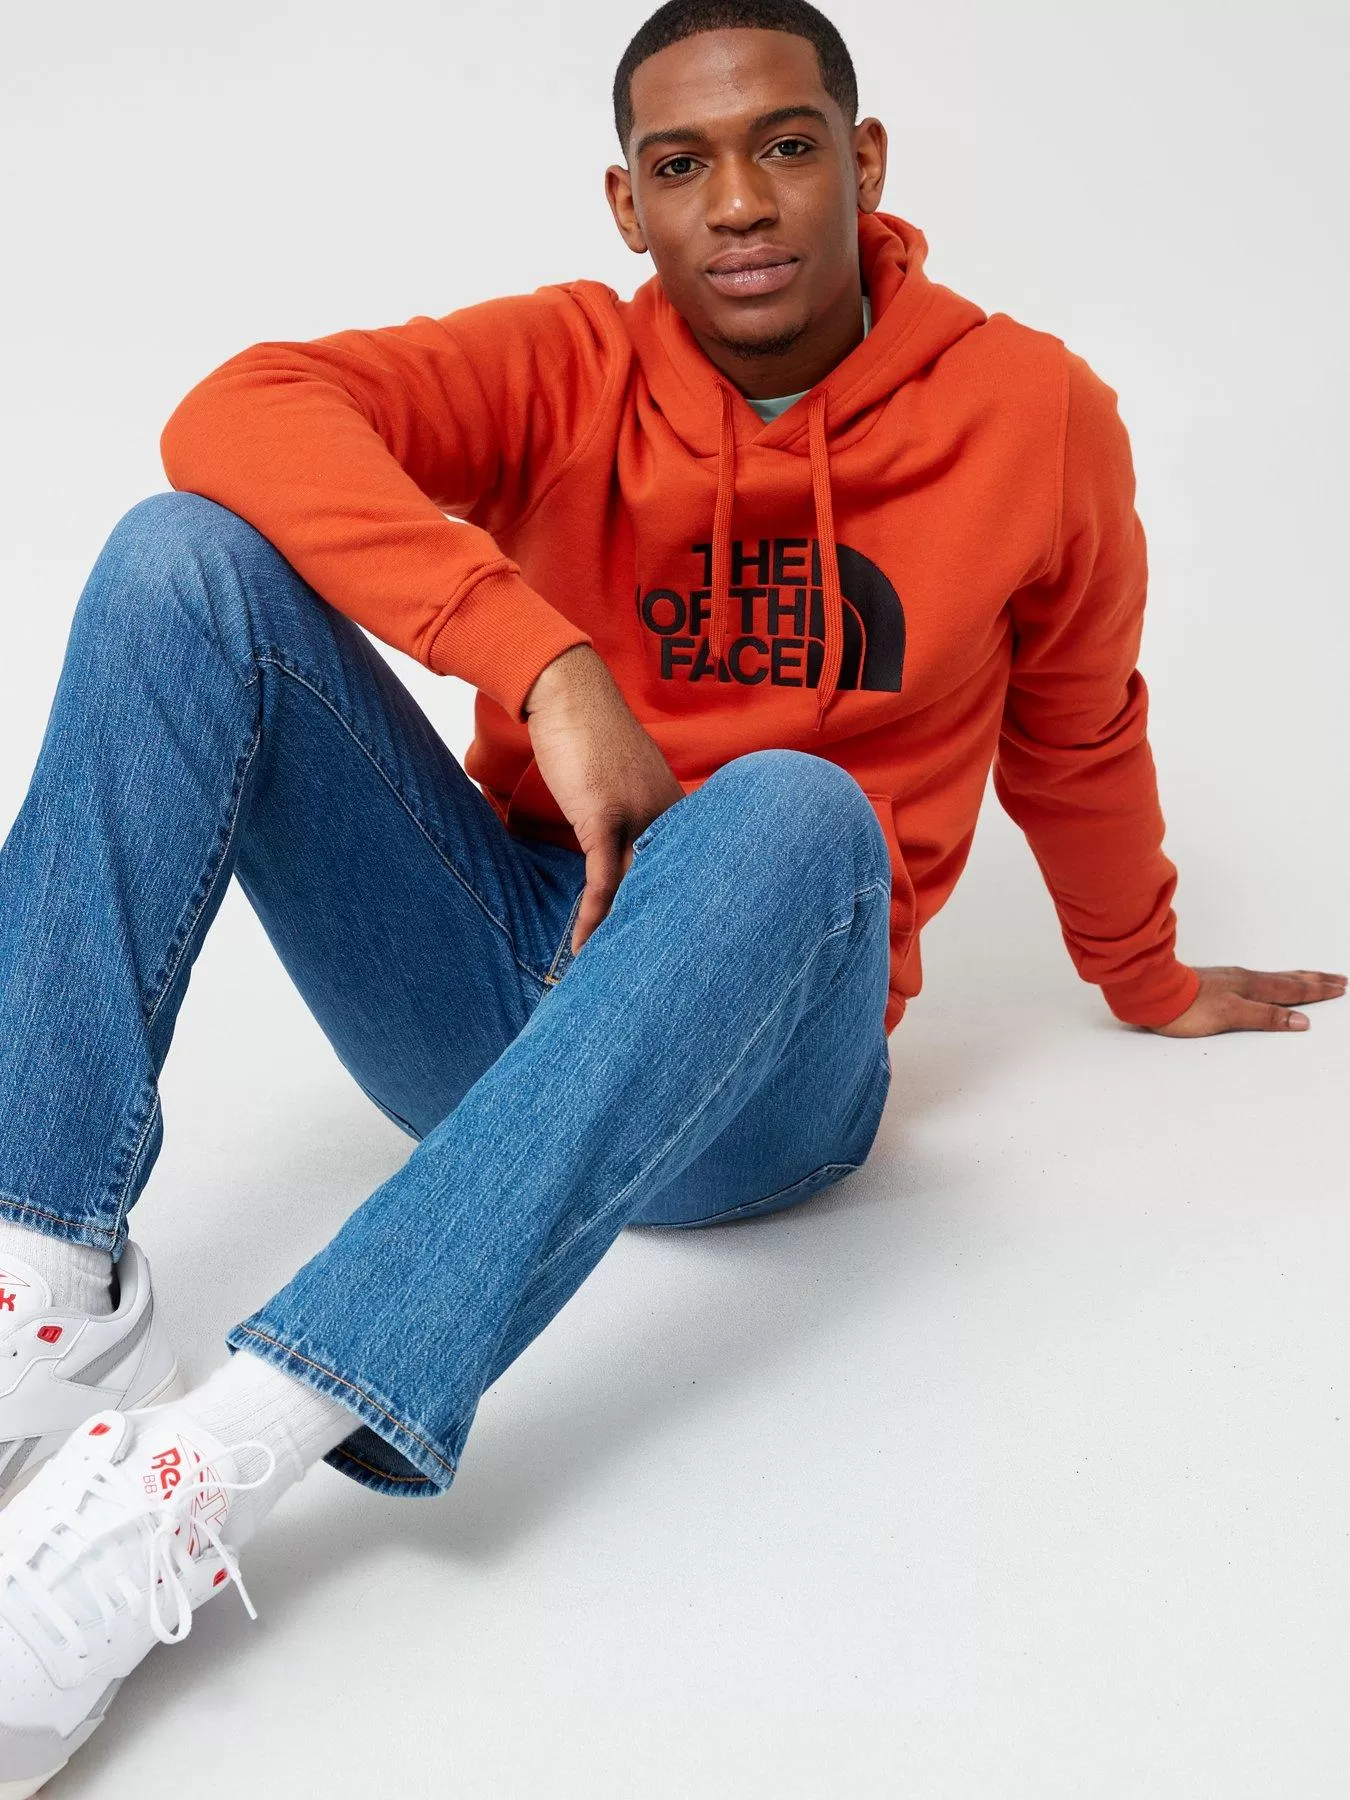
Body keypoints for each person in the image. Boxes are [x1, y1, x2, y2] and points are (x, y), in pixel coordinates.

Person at [0, 0, 1342, 1788]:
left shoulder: (1033, 416)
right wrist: (543, 662)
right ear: (626, 203)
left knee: (790, 805)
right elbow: (234, 410)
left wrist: (1143, 966)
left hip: (756, 1085)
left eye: (785, 146)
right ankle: (40, 1290)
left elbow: (1079, 723)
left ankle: (199, 1477)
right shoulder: (568, 363)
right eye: (682, 163)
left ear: (863, 164)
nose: (740, 201)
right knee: (183, 557)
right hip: (485, 976)